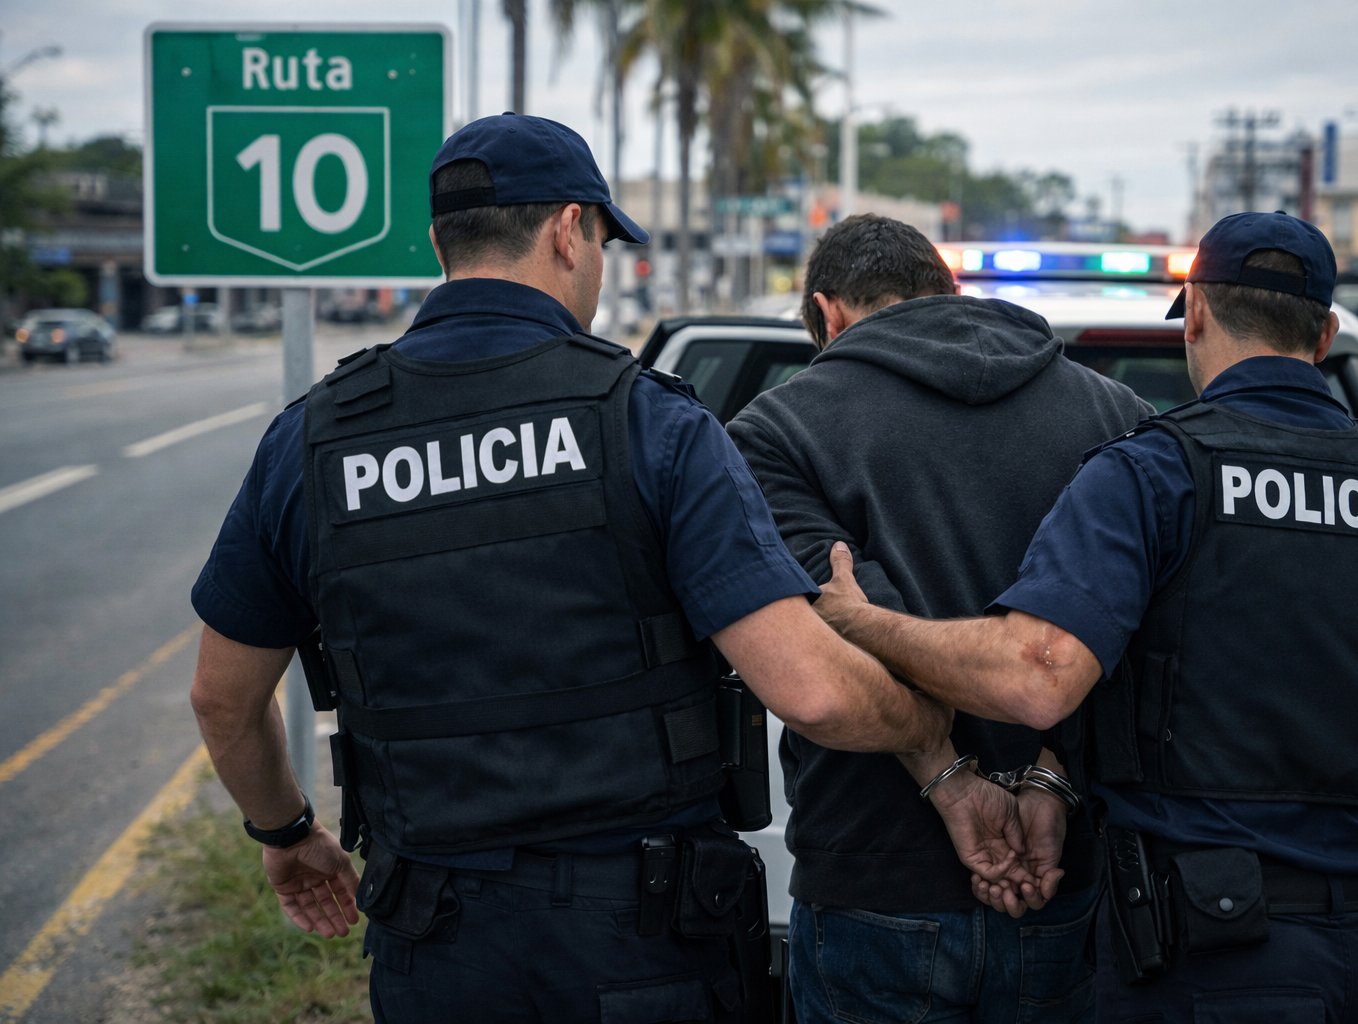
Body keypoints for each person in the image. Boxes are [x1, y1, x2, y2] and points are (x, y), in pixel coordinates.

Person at [187, 114, 952, 1023]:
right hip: (642, 944)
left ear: (440, 242)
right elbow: (813, 693)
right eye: (599, 242)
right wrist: (933, 735)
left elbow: (222, 700)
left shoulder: (312, 439)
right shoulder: (649, 422)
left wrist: (285, 832)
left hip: (433, 943)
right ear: (566, 231)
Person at [808, 211, 1358, 1022]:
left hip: (1212, 948)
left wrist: (864, 622)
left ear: (1198, 313)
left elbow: (1039, 678)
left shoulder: (1154, 474)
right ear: (1324, 335)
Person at [727, 214, 1151, 1021]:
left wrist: (951, 780)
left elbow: (840, 630)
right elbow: (1135, 632)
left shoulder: (775, 431)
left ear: (828, 313)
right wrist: (1054, 776)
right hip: (1066, 869)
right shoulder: (1116, 413)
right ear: (945, 290)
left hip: (870, 870)